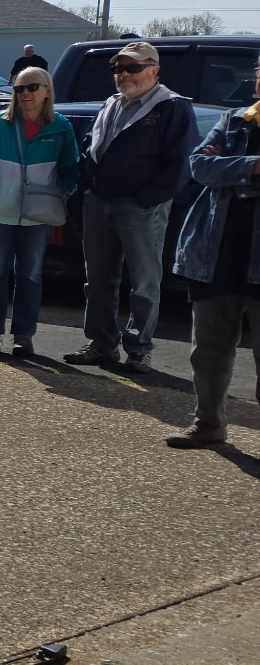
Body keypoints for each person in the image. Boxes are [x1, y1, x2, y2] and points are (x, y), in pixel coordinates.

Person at [65, 41, 200, 371]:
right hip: (99, 202)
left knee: (144, 282)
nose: (124, 74)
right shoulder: (111, 103)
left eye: (133, 68)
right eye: (118, 69)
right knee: (97, 279)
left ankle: (139, 349)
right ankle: (101, 344)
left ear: (153, 70)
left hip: (141, 207)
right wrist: (88, 186)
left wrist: (148, 198)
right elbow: (91, 145)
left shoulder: (172, 107)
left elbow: (181, 162)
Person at [167, 61, 260, 447]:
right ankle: (209, 424)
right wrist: (253, 167)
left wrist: (232, 170)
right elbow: (200, 165)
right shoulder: (235, 120)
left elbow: (215, 166)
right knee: (208, 347)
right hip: (216, 251)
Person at [0, 67, 79, 358]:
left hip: (37, 217)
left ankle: (23, 336)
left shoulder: (61, 127)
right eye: (18, 88)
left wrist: (56, 197)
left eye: (32, 87)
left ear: (47, 90)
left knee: (30, 275)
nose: (24, 93)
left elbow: (70, 170)